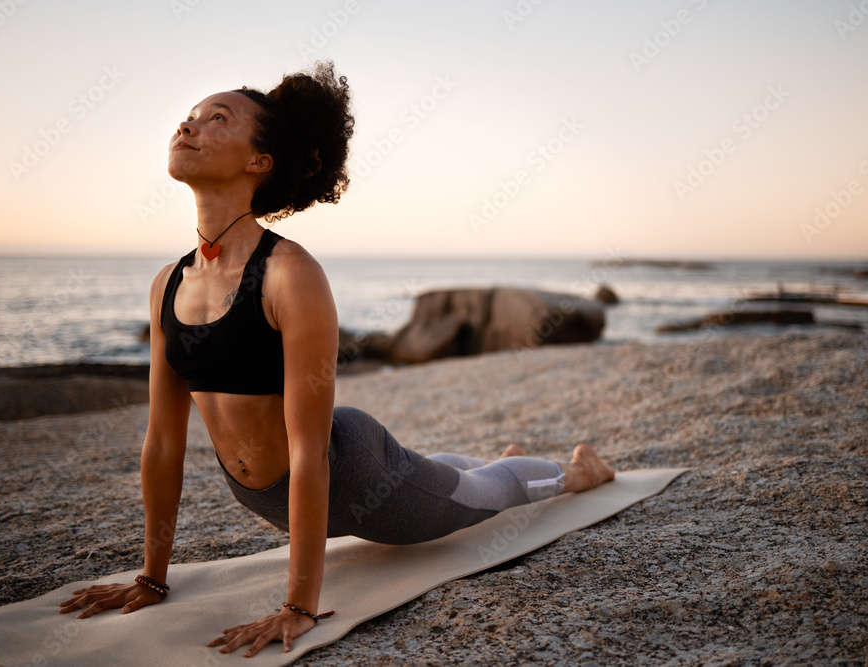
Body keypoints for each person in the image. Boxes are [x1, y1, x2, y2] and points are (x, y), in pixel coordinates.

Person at [57, 62, 615, 658]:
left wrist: (299, 607)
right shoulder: (168, 282)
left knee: (480, 498)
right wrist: (152, 577)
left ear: (259, 162)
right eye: (190, 116)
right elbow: (164, 444)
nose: (189, 126)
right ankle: (501, 461)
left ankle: (580, 474)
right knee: (450, 477)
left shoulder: (290, 273)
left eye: (217, 119)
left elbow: (309, 451)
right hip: (271, 494)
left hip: (353, 476)